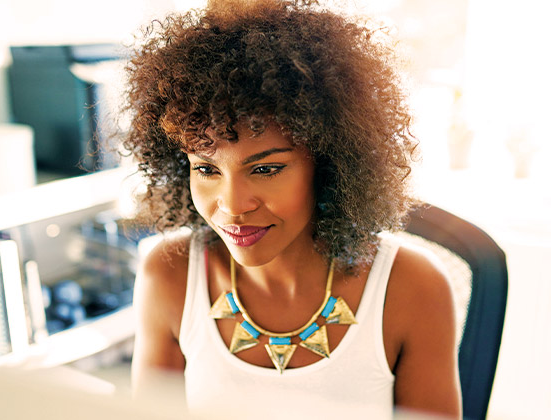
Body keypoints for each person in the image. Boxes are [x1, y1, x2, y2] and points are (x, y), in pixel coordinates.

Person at [123, 1, 461, 418]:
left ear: (329, 161)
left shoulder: (413, 289)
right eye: (207, 169)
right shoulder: (170, 275)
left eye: (265, 168)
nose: (231, 205)